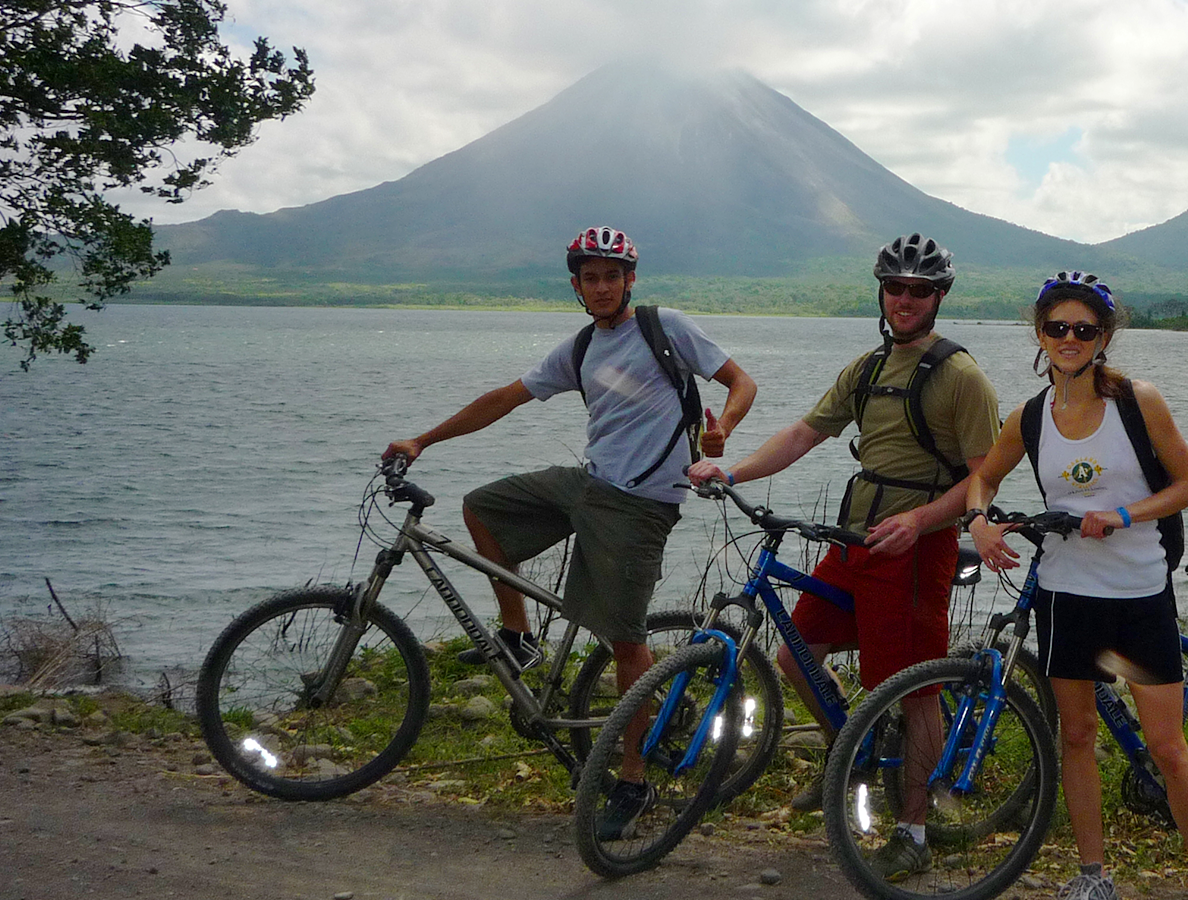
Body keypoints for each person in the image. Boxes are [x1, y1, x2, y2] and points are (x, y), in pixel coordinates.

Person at [383, 225, 757, 840]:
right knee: (483, 508)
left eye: (613, 275)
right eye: (592, 277)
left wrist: (724, 433)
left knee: (625, 641)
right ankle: (518, 635)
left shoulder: (667, 329)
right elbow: (506, 397)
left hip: (640, 505)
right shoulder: (582, 347)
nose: (603, 286)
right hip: (587, 486)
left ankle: (633, 781)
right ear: (578, 286)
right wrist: (422, 439)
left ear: (629, 281)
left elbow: (741, 383)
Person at [687, 233, 999, 880]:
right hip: (854, 539)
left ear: (939, 296)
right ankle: (851, 754)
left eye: (919, 290)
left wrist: (918, 519)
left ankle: (913, 829)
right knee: (795, 655)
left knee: (912, 690)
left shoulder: (962, 378)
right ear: (881, 293)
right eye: (895, 288)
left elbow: (982, 482)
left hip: (915, 551)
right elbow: (805, 432)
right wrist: (733, 472)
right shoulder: (866, 368)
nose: (905, 299)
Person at [962, 271, 1188, 900]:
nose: (1070, 338)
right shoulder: (1029, 417)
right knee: (1076, 736)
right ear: (1040, 334)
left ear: (1104, 336)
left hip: (1137, 596)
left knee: (1166, 747)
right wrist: (977, 520)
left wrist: (1124, 515)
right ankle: (1093, 877)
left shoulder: (1138, 402)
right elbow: (985, 479)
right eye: (1058, 328)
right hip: (1064, 592)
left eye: (1084, 329)